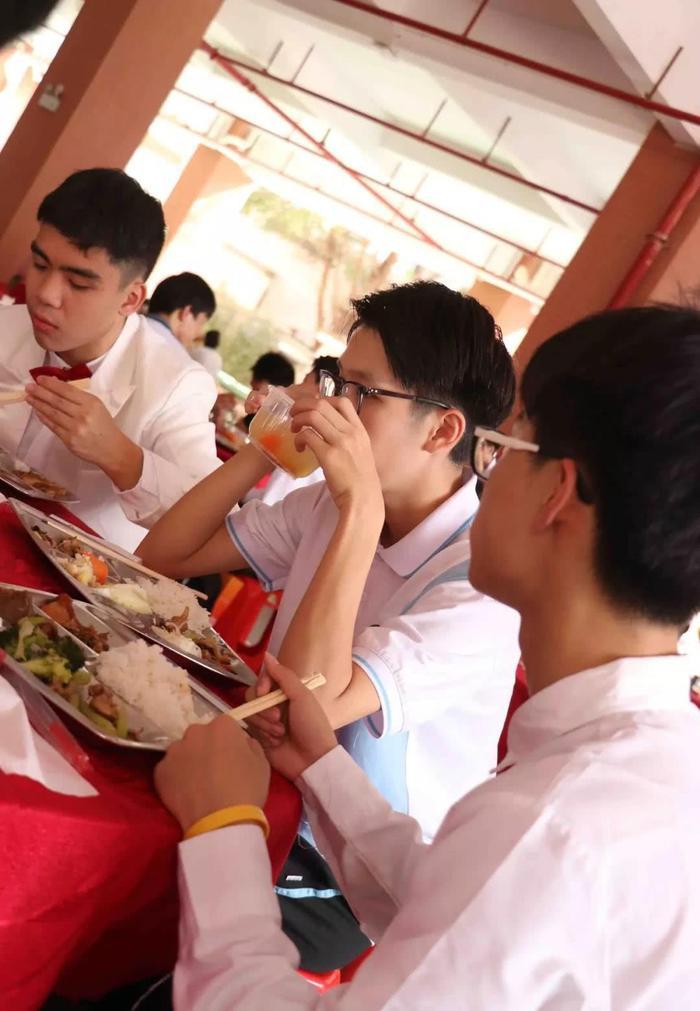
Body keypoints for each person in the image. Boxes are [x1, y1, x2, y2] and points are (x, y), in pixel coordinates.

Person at [155, 303, 700, 1008]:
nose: (484, 474)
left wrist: (222, 829)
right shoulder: (630, 767)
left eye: (504, 448)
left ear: (556, 495)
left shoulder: (556, 823)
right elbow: (445, 892)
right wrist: (324, 767)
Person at [140, 280, 520, 967]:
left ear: (442, 429)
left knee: (142, 890)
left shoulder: (480, 583)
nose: (336, 408)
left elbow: (304, 707)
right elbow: (164, 556)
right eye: (337, 382)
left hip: (347, 869)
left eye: (364, 394)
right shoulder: (326, 501)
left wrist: (361, 510)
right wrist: (269, 447)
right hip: (259, 780)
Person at [0, 168, 219, 551]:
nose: (46, 294)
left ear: (131, 299)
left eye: (79, 283)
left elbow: (211, 518)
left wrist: (118, 454)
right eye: (39, 265)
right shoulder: (6, 325)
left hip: (73, 577)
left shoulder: (176, 385)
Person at [244, 355, 339, 507]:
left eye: (302, 383)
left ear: (323, 390)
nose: (295, 389)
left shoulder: (305, 449)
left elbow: (270, 503)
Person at [146, 272, 216, 350]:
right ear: (186, 313)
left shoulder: (132, 322)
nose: (199, 333)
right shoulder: (177, 358)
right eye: (201, 324)